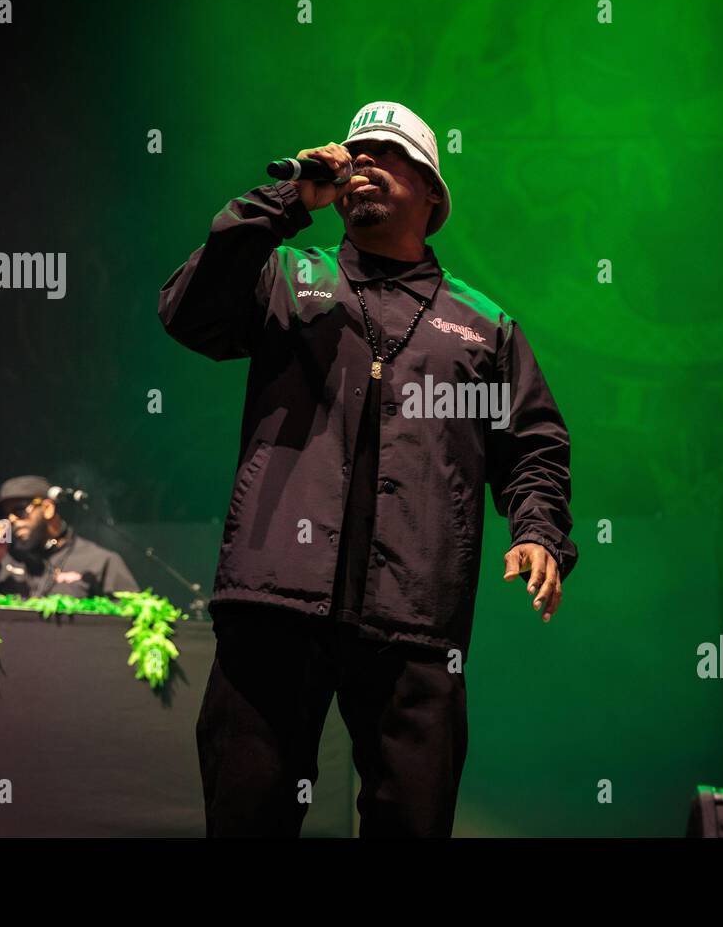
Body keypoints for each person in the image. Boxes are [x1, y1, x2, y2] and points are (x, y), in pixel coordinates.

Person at [158, 101, 577, 837]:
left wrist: (539, 530)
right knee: (245, 815)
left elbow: (534, 445)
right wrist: (289, 201)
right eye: (355, 154)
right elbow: (189, 312)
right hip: (273, 601)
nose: (362, 166)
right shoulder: (289, 277)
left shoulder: (481, 328)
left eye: (386, 154)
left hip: (414, 617)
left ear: (432, 194)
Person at [0, 475, 139, 599]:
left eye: (19, 511)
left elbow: (132, 626)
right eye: (7, 515)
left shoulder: (99, 562)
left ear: (48, 508)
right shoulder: (4, 562)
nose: (12, 520)